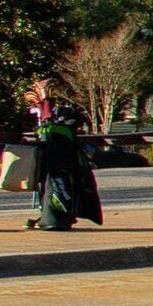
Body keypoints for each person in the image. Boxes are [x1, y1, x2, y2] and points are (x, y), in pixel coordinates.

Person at [24, 75, 103, 234]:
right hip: (59, 151)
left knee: (53, 179)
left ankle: (52, 216)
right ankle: (54, 216)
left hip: (54, 149)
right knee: (56, 178)